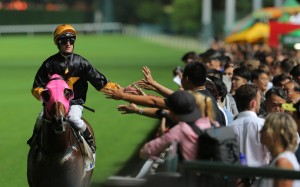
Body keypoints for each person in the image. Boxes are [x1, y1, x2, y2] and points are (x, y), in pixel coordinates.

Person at [28, 24, 118, 153]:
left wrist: (120, 91)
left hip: (75, 103)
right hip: (54, 105)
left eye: (71, 40)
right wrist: (44, 94)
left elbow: (100, 82)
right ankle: (34, 141)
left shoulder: (82, 63)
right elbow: (36, 87)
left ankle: (89, 141)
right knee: (40, 118)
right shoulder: (49, 64)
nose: (68, 44)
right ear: (57, 43)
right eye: (64, 41)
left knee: (73, 118)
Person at [139, 90, 215, 161]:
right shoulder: (210, 122)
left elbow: (145, 152)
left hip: (191, 173)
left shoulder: (180, 129)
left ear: (171, 112)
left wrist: (163, 136)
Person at [229, 84, 270, 167]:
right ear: (253, 103)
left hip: (237, 176)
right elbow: (270, 153)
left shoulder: (229, 127)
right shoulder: (263, 125)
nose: (260, 104)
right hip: (260, 175)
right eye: (259, 100)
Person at [258, 113, 300, 187]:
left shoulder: (283, 163)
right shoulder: (281, 159)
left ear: (275, 133)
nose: (260, 131)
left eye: (264, 128)